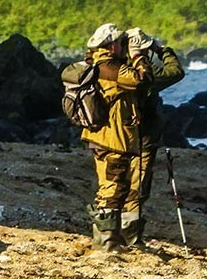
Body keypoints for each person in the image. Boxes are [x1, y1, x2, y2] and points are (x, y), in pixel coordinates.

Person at [79, 22, 154, 250]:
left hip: (104, 137)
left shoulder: (98, 64)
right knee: (111, 188)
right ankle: (105, 242)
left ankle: (110, 239)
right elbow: (143, 80)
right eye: (121, 43)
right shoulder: (111, 69)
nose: (124, 47)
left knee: (114, 187)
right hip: (111, 139)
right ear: (112, 47)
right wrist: (138, 56)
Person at [119, 26, 185, 247]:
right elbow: (176, 72)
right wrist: (162, 49)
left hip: (118, 137)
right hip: (143, 138)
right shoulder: (144, 74)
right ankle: (131, 237)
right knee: (137, 188)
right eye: (145, 49)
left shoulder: (115, 69)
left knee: (117, 185)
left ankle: (113, 233)